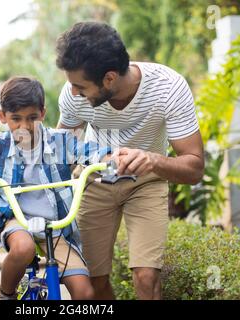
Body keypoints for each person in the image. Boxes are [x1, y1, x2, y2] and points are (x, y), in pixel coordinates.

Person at [55, 21, 205, 300]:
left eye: (80, 86)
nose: (73, 92)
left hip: (146, 182)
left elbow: (194, 167)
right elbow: (61, 149)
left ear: (109, 79)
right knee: (92, 281)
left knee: (146, 277)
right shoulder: (73, 95)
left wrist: (152, 160)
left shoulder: (168, 87)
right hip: (94, 180)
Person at [0, 76, 112, 300]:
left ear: (43, 113)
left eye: (32, 118)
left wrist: (110, 159)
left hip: (56, 225)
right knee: (23, 248)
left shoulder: (62, 140)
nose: (25, 126)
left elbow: (89, 150)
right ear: (2, 116)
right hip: (17, 220)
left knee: (85, 293)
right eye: (16, 118)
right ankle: (6, 293)